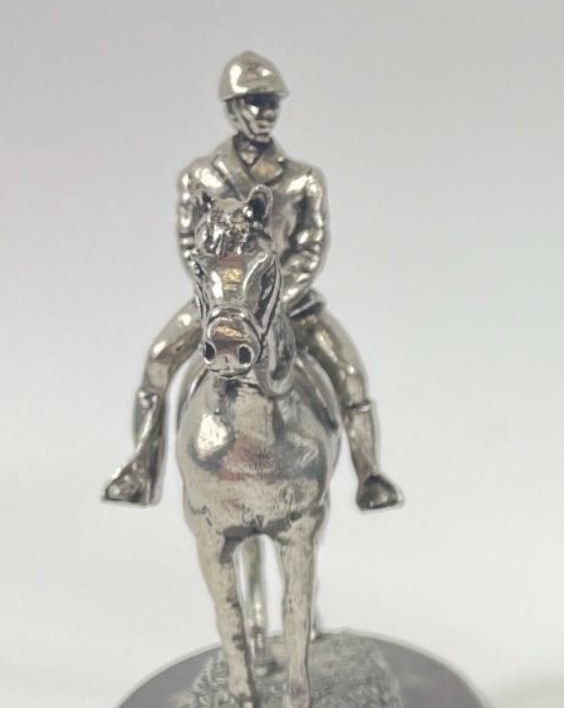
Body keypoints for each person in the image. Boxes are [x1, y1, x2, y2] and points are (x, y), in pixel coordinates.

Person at [103, 52, 402, 512]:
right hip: (222, 305)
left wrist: (275, 298)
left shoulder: (303, 181)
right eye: (255, 103)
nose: (265, 113)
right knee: (159, 361)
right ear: (232, 109)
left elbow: (309, 247)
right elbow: (191, 243)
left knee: (348, 373)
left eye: (271, 103)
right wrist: (225, 296)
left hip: (289, 304)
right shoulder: (201, 177)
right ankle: (141, 466)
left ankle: (369, 473)